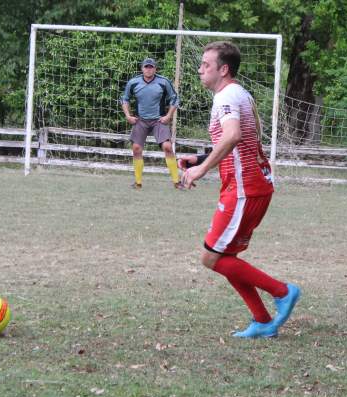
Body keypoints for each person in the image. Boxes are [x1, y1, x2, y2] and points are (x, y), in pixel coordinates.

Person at [180, 41, 301, 339]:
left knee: (211, 257)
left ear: (223, 69)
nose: (200, 69)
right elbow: (241, 139)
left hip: (245, 188)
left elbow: (233, 136)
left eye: (206, 65)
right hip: (251, 185)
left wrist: (201, 168)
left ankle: (283, 292)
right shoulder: (238, 94)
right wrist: (199, 157)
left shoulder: (226, 96)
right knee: (225, 256)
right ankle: (261, 321)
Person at [120, 57, 181, 189]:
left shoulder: (163, 82)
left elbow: (175, 99)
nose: (148, 69)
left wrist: (169, 115)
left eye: (151, 67)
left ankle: (177, 182)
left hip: (159, 120)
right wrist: (128, 115)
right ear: (142, 68)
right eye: (146, 67)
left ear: (155, 69)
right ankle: (138, 183)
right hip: (140, 120)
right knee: (136, 149)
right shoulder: (133, 82)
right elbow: (124, 99)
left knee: (167, 147)